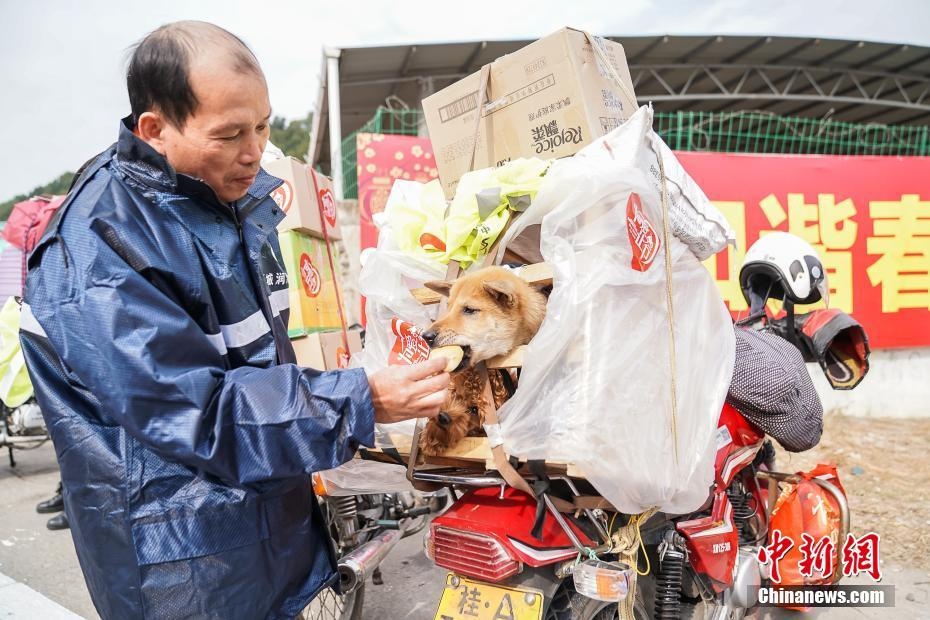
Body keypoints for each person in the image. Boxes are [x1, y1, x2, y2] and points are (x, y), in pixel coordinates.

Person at [18, 21, 449, 619]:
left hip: (268, 530)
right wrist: (357, 398)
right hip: (184, 567)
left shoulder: (223, 200)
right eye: (230, 134)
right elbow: (200, 413)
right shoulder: (100, 250)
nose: (254, 151)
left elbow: (259, 362)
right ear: (155, 129)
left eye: (263, 126)